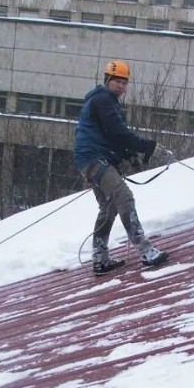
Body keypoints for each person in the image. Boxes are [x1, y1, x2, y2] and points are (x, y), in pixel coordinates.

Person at [74, 59, 169, 276]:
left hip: (90, 159)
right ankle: (145, 250)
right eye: (117, 82)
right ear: (107, 80)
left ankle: (99, 259)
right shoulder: (103, 100)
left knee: (108, 207)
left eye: (125, 84)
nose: (121, 87)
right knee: (124, 197)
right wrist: (146, 146)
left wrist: (130, 155)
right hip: (94, 159)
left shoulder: (107, 102)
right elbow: (117, 132)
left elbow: (113, 137)